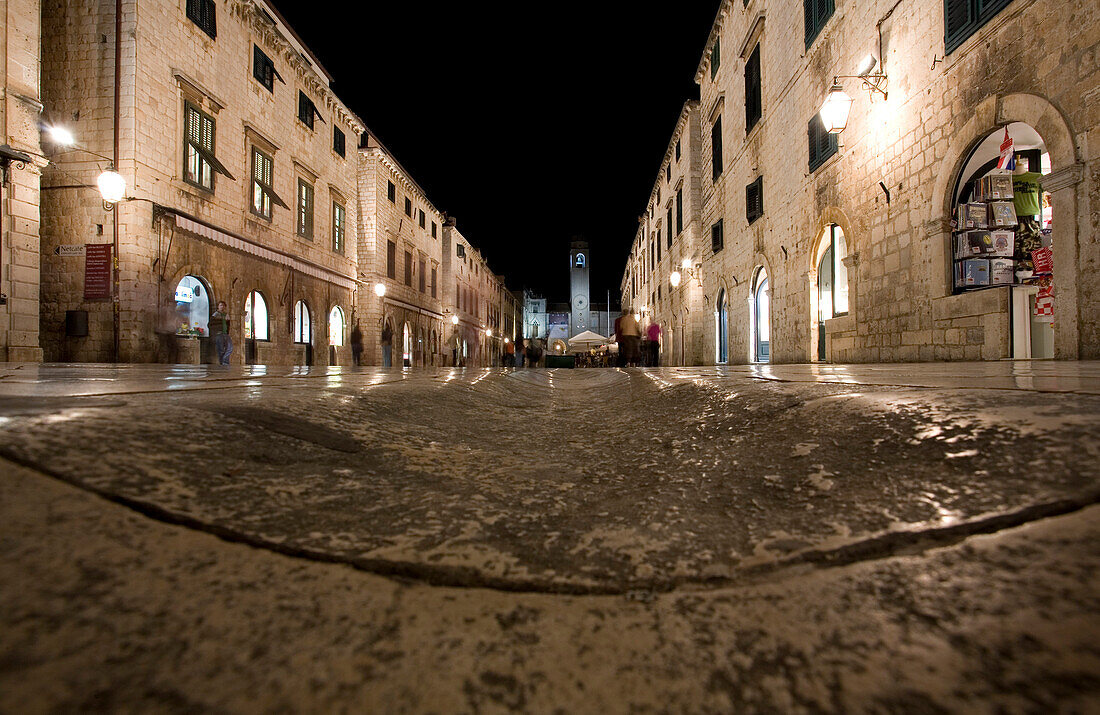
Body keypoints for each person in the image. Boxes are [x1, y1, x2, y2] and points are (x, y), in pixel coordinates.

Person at [210, 301, 232, 365]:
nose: (222, 307)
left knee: (230, 347)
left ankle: (224, 361)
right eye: (220, 305)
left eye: (223, 305)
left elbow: (228, 324)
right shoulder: (215, 315)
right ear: (218, 306)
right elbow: (211, 324)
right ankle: (223, 362)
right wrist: (216, 331)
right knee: (221, 349)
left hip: (225, 333)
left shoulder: (226, 315)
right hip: (219, 333)